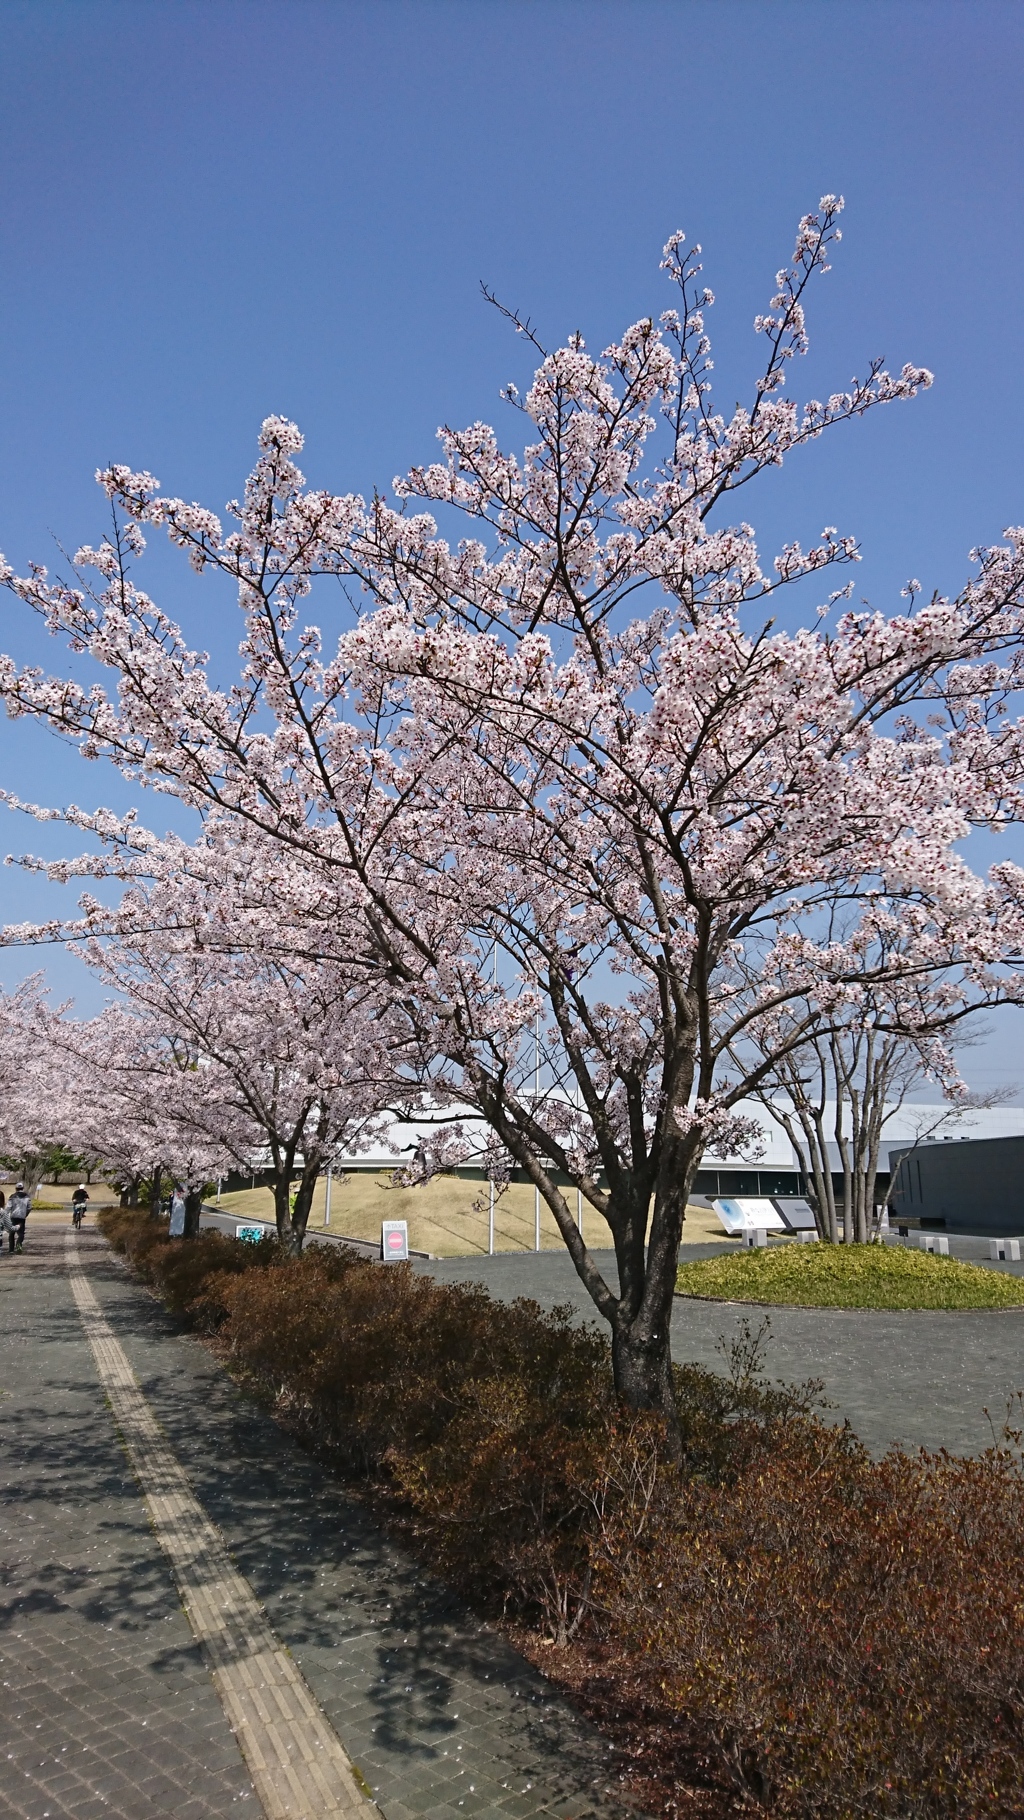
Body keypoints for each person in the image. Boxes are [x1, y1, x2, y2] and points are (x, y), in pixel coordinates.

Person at [7, 1183, 31, 1253]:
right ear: (23, 1188)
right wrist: (25, 1214)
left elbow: (8, 1207)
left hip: (13, 1217)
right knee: (21, 1233)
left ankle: (11, 1249)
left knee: (11, 1233)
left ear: (16, 1188)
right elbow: (29, 1207)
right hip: (22, 1217)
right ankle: (19, 1245)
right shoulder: (27, 1196)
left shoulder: (12, 1196)